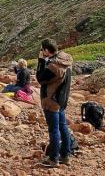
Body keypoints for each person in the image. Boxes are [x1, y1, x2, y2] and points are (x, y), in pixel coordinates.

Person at [36, 38, 73, 168]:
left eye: (42, 49)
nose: (41, 51)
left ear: (46, 50)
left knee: (54, 129)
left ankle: (53, 159)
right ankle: (66, 155)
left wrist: (41, 61)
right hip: (62, 99)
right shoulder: (65, 59)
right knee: (63, 127)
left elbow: (40, 78)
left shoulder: (53, 67)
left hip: (52, 100)